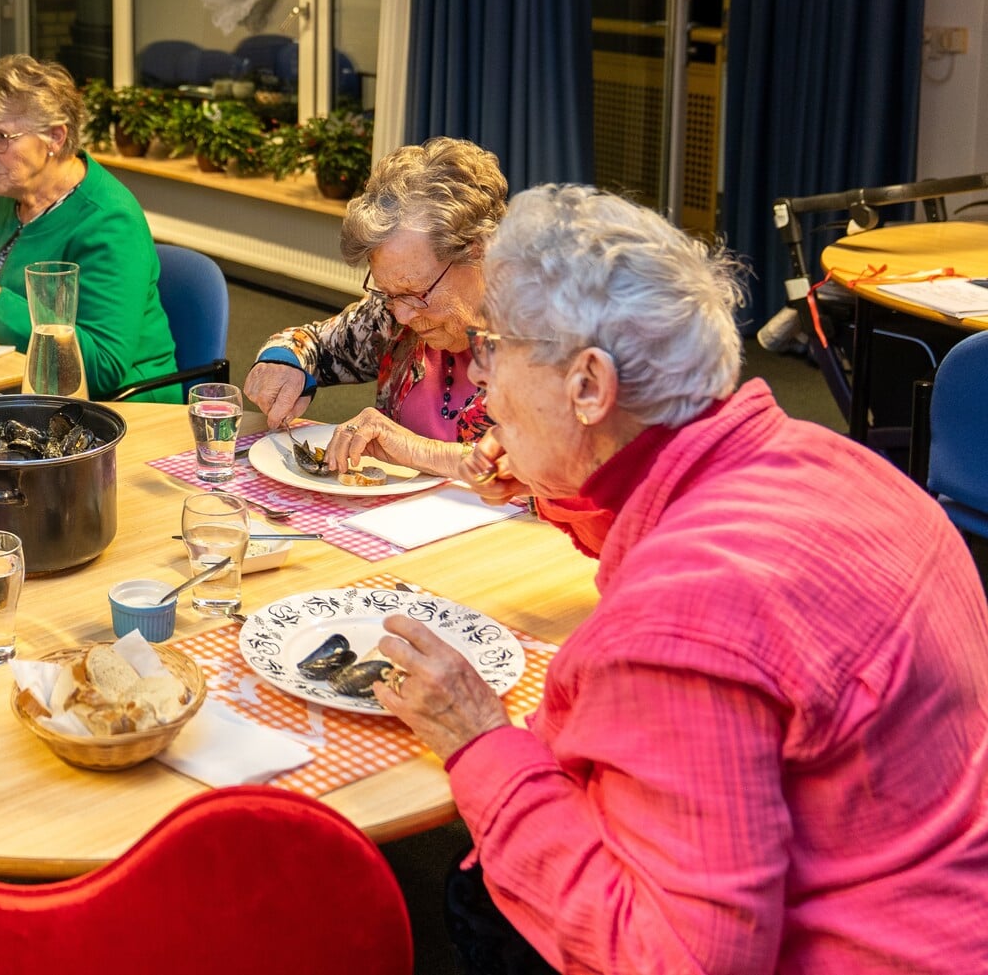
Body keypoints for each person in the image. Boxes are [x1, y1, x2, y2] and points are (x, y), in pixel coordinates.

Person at [373, 185, 988, 972]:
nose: (482, 377)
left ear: (588, 385)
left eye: (496, 346)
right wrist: (563, 484)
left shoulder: (682, 613)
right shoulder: (838, 465)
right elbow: (676, 518)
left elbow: (675, 958)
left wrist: (479, 739)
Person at [0, 54, 176, 401]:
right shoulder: (0, 200)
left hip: (120, 407)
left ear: (55, 137)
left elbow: (103, 368)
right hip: (16, 384)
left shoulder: (110, 221)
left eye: (0, 137)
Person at [243, 137, 505, 476]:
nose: (402, 315)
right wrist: (282, 362)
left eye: (415, 292)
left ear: (478, 252)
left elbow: (552, 473)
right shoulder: (393, 313)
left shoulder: (554, 334)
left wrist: (419, 451)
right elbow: (315, 343)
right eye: (388, 293)